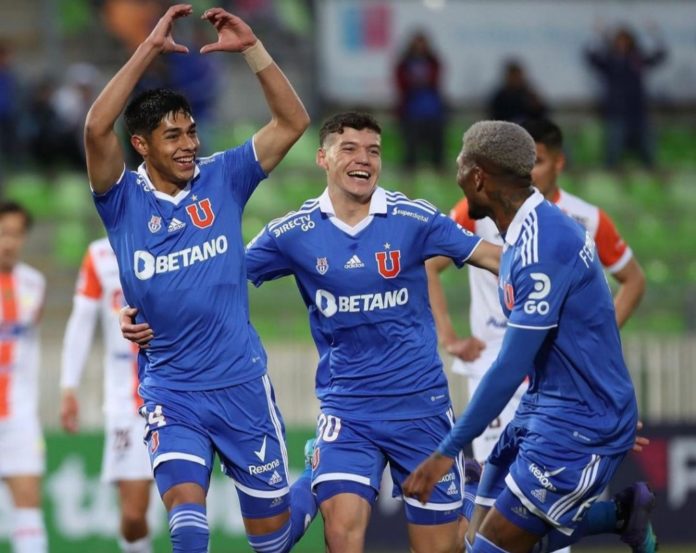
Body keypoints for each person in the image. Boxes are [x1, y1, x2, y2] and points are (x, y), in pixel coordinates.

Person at [83, 5, 314, 553]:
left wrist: (255, 49)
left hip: (241, 386)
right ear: (141, 146)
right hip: (171, 390)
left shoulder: (224, 176)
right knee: (188, 527)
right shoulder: (120, 201)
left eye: (191, 131)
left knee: (274, 543)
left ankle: (319, 472)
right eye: (172, 136)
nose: (188, 144)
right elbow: (96, 126)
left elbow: (292, 124)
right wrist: (147, 50)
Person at [245, 111, 501, 553]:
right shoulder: (292, 232)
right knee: (342, 532)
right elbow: (218, 278)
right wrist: (147, 307)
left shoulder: (414, 218)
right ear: (323, 158)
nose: (364, 159)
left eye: (373, 151)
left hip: (420, 410)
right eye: (350, 148)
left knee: (440, 549)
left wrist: (561, 266)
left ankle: (473, 495)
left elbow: (491, 255)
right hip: (348, 411)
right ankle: (320, 469)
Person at [404, 121, 657, 553]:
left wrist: (445, 452)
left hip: (574, 424)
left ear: (478, 175)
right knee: (477, 538)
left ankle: (617, 514)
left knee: (496, 546)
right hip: (545, 407)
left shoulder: (543, 246)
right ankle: (618, 515)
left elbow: (509, 368)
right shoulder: (523, 231)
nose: (457, 173)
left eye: (461, 164)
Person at [426, 117, 646, 466]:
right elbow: (429, 265)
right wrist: (449, 337)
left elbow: (634, 281)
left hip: (553, 371)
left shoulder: (582, 220)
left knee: (538, 492)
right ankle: (618, 517)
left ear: (558, 162)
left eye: (537, 161)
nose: (530, 169)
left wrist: (590, 347)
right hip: (494, 359)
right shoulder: (478, 211)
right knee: (497, 487)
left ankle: (615, 516)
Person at [60, 238, 153, 553]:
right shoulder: (99, 255)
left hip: (178, 393)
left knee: (188, 504)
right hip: (126, 404)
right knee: (132, 514)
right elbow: (81, 322)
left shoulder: (173, 237)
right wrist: (69, 386)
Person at [0, 201, 48, 552]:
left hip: (19, 415)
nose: (9, 242)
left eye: (16, 234)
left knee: (29, 504)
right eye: (3, 233)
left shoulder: (35, 283)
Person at [584, 24, 667, 169]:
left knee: (647, 148)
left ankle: (652, 172)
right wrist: (596, 36)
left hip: (638, 111)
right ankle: (609, 172)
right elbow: (590, 57)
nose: (622, 44)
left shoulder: (637, 58)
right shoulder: (609, 60)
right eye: (619, 41)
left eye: (625, 41)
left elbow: (660, 56)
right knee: (613, 148)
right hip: (616, 111)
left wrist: (655, 35)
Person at [394, 31, 447, 171]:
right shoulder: (404, 63)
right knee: (411, 144)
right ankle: (410, 166)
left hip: (432, 110)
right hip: (411, 110)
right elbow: (400, 83)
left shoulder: (433, 61)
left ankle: (438, 166)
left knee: (436, 144)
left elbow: (436, 80)